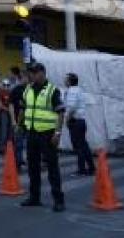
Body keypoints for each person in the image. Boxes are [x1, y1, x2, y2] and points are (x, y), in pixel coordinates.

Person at [20, 62, 65, 212]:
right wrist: (20, 126)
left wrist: (57, 133)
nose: (30, 75)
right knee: (32, 167)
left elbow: (61, 113)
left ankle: (59, 200)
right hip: (32, 133)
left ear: (42, 73)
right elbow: (23, 108)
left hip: (47, 134)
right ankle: (34, 197)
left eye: (33, 72)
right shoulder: (28, 89)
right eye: (30, 73)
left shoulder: (53, 91)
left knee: (52, 168)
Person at [64, 73, 95, 176]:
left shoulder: (72, 91)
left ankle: (82, 170)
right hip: (81, 121)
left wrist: (67, 120)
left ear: (69, 81)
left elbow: (72, 107)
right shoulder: (79, 90)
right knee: (84, 146)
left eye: (66, 79)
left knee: (79, 147)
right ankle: (91, 167)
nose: (64, 81)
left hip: (75, 121)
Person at [9, 69, 28, 169]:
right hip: (19, 120)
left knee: (27, 144)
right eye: (26, 77)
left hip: (30, 121)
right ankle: (18, 163)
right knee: (18, 144)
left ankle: (23, 161)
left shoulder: (31, 89)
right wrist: (13, 121)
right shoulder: (16, 90)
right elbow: (11, 105)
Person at [0, 79, 12, 153]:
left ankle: (9, 147)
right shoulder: (1, 93)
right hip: (4, 113)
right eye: (5, 85)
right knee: (3, 130)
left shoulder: (11, 93)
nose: (6, 87)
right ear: (2, 85)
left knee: (10, 131)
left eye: (8, 85)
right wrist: (7, 109)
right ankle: (2, 147)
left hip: (11, 113)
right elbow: (0, 105)